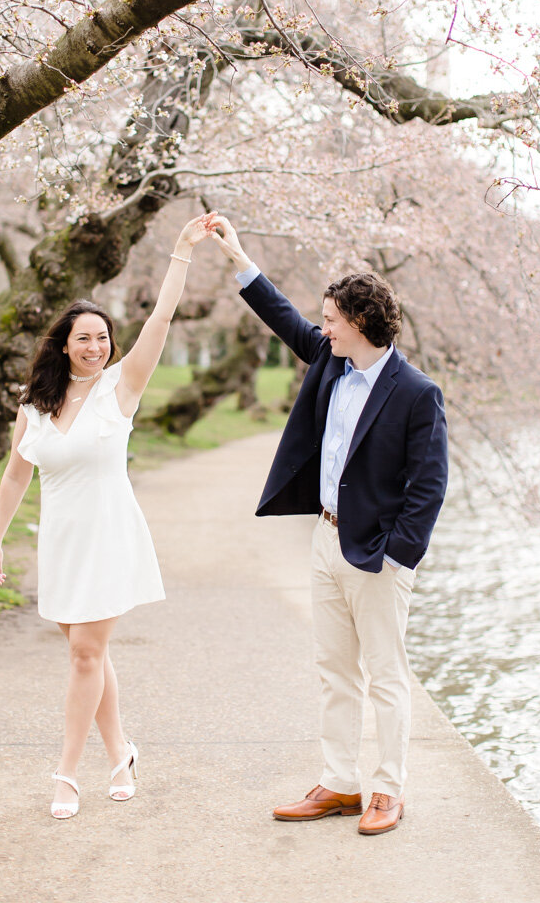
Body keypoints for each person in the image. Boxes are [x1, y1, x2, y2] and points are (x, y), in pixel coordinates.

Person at [209, 216, 448, 836]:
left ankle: (388, 792)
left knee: (386, 677)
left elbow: (428, 486)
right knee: (333, 670)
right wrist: (238, 255)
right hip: (325, 539)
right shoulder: (328, 359)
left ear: (362, 324)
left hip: (378, 555)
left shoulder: (417, 394)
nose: (324, 328)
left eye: (334, 319)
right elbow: (282, 315)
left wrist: (398, 556)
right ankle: (341, 784)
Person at [0, 213, 216, 819]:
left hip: (111, 536)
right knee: (92, 652)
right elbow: (15, 474)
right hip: (62, 541)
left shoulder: (122, 388)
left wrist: (181, 252)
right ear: (64, 343)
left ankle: (66, 774)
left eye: (103, 337)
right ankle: (121, 752)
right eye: (84, 338)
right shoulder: (33, 406)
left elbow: (160, 321)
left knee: (85, 654)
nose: (96, 347)